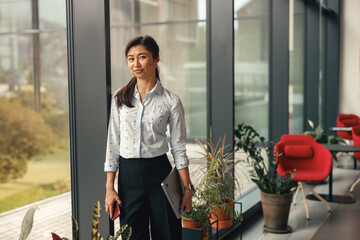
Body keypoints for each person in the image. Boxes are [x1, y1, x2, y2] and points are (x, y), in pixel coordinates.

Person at [104, 35, 192, 240]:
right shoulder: (119, 98)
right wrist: (110, 187)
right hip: (128, 177)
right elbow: (113, 143)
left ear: (156, 59)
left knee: (168, 234)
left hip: (160, 175)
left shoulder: (171, 101)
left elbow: (178, 148)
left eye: (142, 57)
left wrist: (187, 190)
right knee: (132, 236)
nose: (136, 63)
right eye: (131, 58)